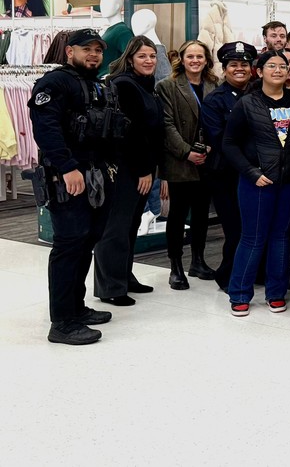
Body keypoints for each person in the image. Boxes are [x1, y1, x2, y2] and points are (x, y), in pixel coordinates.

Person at [29, 29, 119, 345]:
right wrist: (67, 168)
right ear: (70, 51)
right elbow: (46, 129)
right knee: (70, 243)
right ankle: (62, 323)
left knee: (87, 240)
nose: (93, 55)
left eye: (98, 50)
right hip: (67, 175)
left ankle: (76, 308)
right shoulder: (54, 83)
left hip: (95, 173)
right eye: (86, 49)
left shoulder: (96, 84)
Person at [222, 51, 290, 316]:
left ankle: (276, 292)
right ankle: (239, 294)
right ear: (259, 72)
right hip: (257, 182)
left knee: (281, 237)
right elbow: (229, 144)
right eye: (271, 66)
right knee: (252, 238)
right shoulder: (247, 103)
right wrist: (250, 172)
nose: (278, 70)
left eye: (283, 66)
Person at [92, 36, 163, 307]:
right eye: (143, 56)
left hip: (142, 167)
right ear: (130, 58)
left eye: (152, 56)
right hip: (125, 169)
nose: (148, 61)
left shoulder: (146, 86)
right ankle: (110, 287)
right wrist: (145, 170)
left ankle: (124, 276)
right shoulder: (124, 85)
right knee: (116, 227)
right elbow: (132, 134)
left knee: (130, 226)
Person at [156, 40, 219, 289]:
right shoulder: (167, 86)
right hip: (180, 161)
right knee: (178, 215)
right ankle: (175, 266)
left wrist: (213, 146)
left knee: (202, 215)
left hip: (208, 159)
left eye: (200, 56)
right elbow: (167, 125)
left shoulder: (214, 85)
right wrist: (186, 152)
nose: (195, 61)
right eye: (190, 56)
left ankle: (198, 261)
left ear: (206, 60)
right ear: (181, 59)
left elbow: (221, 119)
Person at [202, 41, 257, 290]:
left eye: (244, 64)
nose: (239, 69)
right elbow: (221, 139)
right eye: (233, 65)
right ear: (224, 69)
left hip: (256, 175)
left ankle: (251, 273)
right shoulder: (215, 100)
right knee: (234, 230)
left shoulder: (259, 95)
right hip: (226, 175)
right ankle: (227, 277)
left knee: (253, 228)